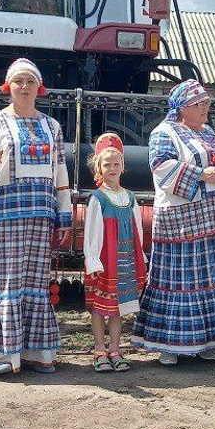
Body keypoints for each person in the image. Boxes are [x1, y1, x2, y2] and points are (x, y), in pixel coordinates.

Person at [131, 79, 215, 365]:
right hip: (182, 222)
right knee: (178, 280)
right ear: (183, 107)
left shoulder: (209, 132)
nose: (205, 108)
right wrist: (200, 174)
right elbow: (161, 169)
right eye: (200, 104)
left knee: (211, 279)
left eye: (207, 103)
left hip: (214, 221)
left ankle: (207, 340)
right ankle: (168, 344)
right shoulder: (164, 132)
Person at [0, 58, 72, 375]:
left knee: (34, 282)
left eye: (30, 81)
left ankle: (35, 353)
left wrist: (63, 214)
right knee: (1, 282)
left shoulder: (53, 127)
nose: (24, 87)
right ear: (8, 87)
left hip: (39, 214)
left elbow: (60, 173)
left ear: (40, 87)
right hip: (3, 214)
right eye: (18, 81)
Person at [83, 132, 147, 373]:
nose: (112, 168)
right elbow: (92, 232)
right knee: (101, 307)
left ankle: (115, 349)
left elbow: (138, 229)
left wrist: (140, 256)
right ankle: (100, 349)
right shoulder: (98, 198)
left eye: (116, 164)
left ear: (123, 167)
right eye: (106, 164)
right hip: (105, 261)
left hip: (125, 259)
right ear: (98, 168)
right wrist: (93, 260)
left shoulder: (129, 197)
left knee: (119, 307)